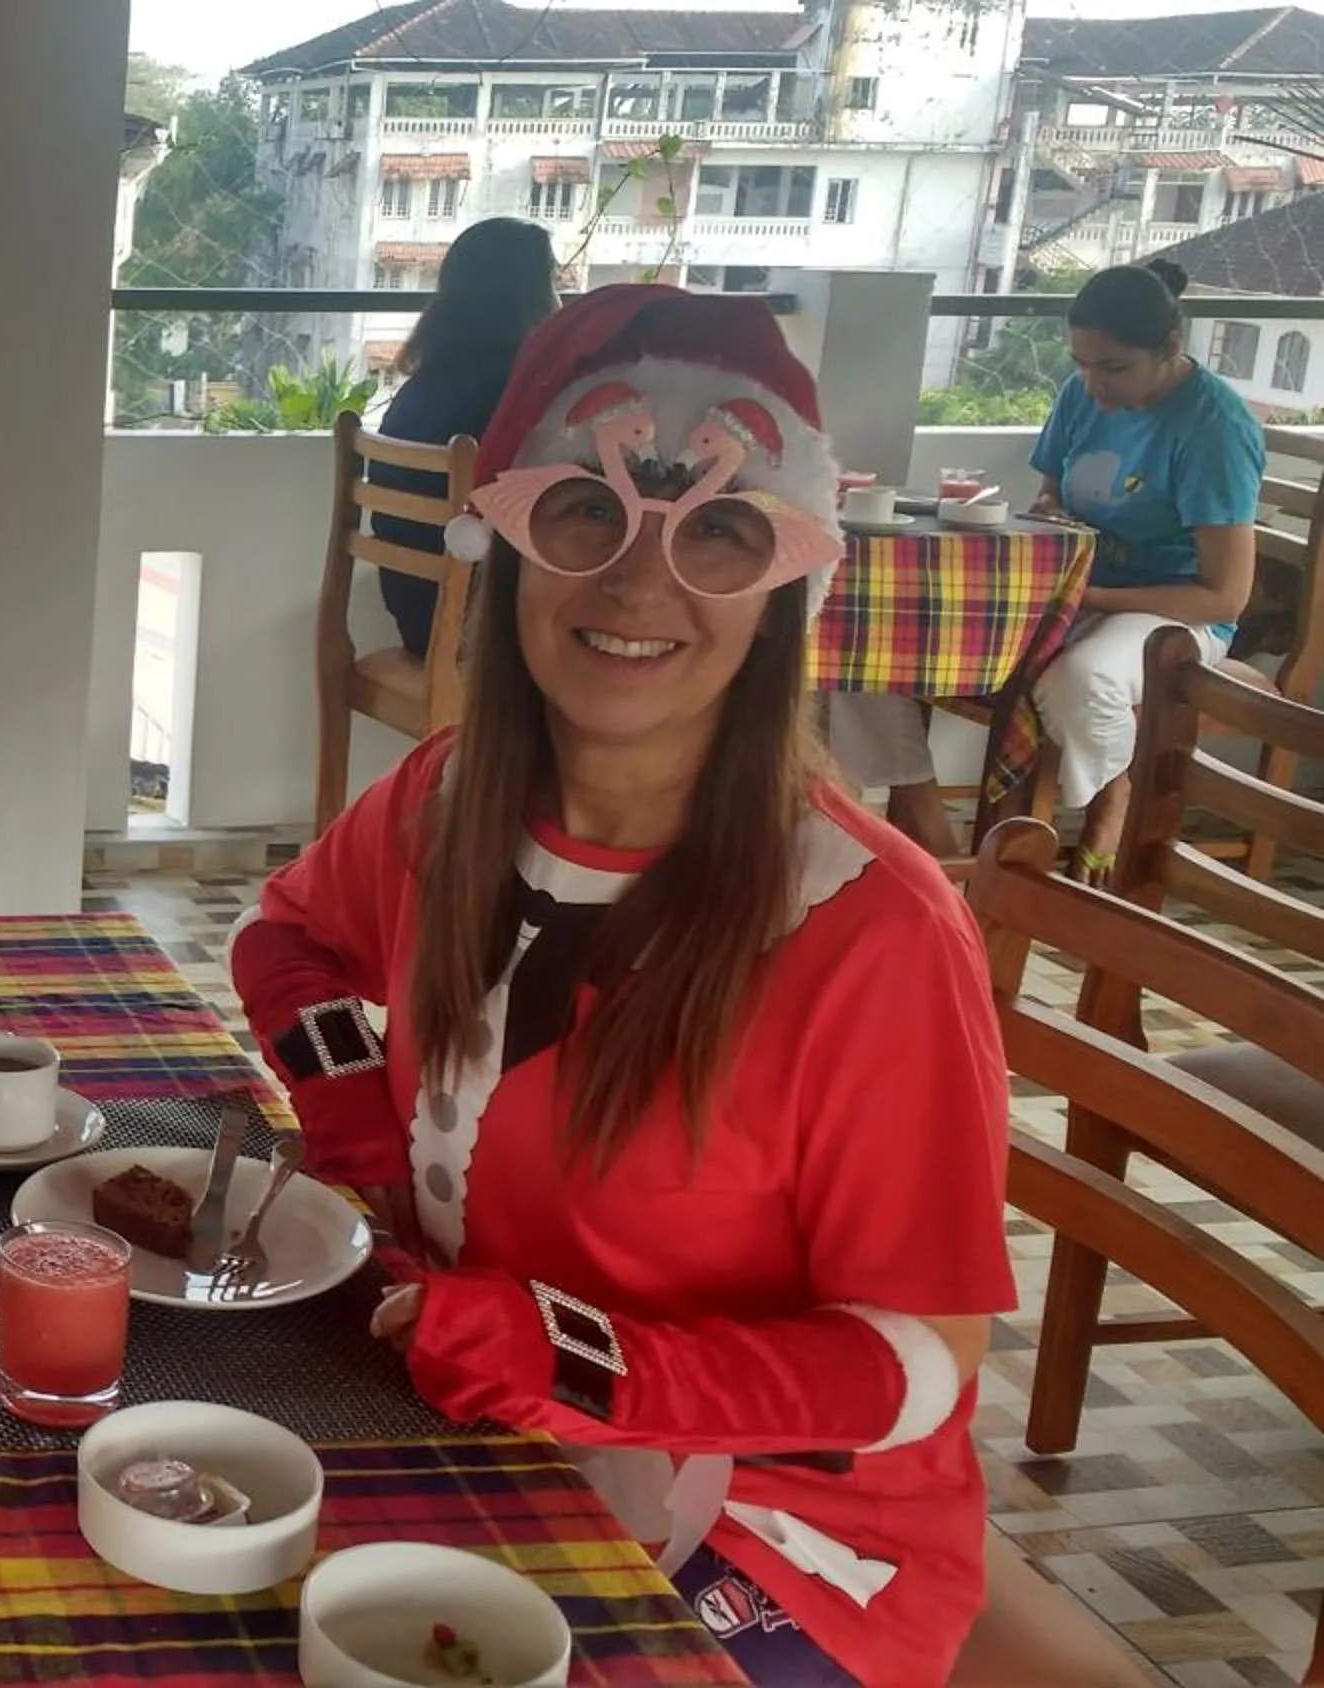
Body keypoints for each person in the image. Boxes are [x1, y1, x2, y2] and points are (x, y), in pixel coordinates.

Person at [233, 288, 1038, 1686]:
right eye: (585, 514)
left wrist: (582, 1362)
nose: (636, 582)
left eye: (718, 529)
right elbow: (286, 941)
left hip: (792, 1539)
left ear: (788, 581)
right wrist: (354, 1104)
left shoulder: (876, 932)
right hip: (486, 1441)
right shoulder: (440, 800)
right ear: (511, 546)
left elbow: (915, 1367)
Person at [825, 259, 1263, 875]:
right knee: (863, 638)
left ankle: (1116, 793)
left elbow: (1224, 597)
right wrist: (1052, 517)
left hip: (1168, 612)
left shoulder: (1213, 428)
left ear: (1169, 347)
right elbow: (1051, 498)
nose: (1094, 387)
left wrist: (1095, 598)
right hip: (1070, 592)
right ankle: (923, 816)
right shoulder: (1080, 397)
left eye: (1113, 368)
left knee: (1082, 682)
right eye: (1081, 365)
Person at [367, 217, 558, 657]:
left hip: (416, 617)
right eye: (551, 277)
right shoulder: (512, 393)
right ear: (528, 292)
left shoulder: (427, 382)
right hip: (469, 633)